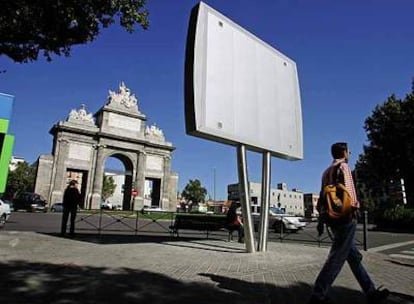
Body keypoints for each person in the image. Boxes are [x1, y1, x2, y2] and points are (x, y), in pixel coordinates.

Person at [308, 142, 389, 304]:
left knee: (352, 257)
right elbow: (349, 194)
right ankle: (318, 294)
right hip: (346, 216)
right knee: (337, 257)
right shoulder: (344, 167)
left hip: (332, 217)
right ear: (344, 152)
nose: (349, 153)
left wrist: (322, 219)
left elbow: (323, 197)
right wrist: (355, 208)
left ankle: (371, 292)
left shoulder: (325, 172)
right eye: (348, 151)